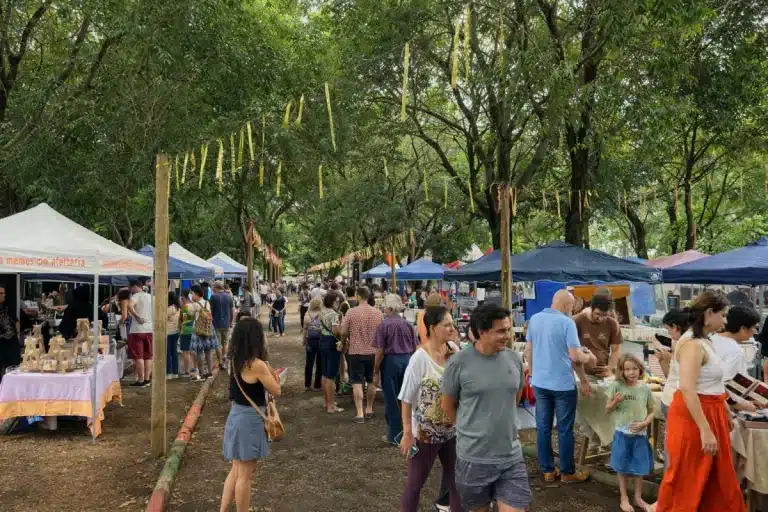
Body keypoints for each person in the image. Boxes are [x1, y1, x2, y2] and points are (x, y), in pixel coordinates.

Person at [649, 291, 745, 512]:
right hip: (695, 417)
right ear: (709, 313)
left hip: (711, 411)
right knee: (689, 480)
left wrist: (725, 411)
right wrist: (705, 429)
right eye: (723, 315)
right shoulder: (692, 344)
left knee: (714, 480)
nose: (726, 321)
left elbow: (712, 384)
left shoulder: (705, 340)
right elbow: (687, 389)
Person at [441, 303, 531, 512]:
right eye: (500, 331)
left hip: (511, 456)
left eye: (508, 329)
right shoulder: (458, 363)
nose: (507, 335)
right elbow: (447, 405)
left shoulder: (514, 359)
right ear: (481, 332)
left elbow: (514, 397)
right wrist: (469, 429)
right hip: (474, 458)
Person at [524, 289, 594, 483]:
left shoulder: (535, 319)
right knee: (564, 429)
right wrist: (588, 355)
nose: (572, 310)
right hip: (562, 384)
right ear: (566, 305)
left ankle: (547, 470)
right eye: (571, 306)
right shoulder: (567, 323)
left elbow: (528, 350)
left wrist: (532, 371)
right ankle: (567, 472)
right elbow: (575, 357)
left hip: (540, 382)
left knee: (543, 428)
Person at [398, 306, 464, 512]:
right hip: (425, 434)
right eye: (447, 325)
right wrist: (408, 432)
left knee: (457, 481)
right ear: (433, 328)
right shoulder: (419, 358)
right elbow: (406, 398)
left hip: (452, 430)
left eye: (452, 324)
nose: (452, 328)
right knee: (415, 484)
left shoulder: (454, 350)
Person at [219, 318, 281, 512]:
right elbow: (276, 390)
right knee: (245, 475)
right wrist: (275, 376)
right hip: (250, 420)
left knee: (236, 470)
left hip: (236, 414)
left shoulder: (235, 359)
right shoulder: (257, 364)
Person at [605, 354, 655, 512]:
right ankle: (624, 497)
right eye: (627, 369)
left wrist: (645, 423)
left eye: (634, 369)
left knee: (639, 467)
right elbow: (607, 409)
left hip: (640, 435)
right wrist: (615, 402)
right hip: (622, 433)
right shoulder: (616, 386)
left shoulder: (645, 388)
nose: (631, 372)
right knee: (622, 466)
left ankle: (638, 497)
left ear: (640, 369)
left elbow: (652, 411)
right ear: (621, 370)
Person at [373, 293, 419, 445]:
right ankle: (407, 431)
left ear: (390, 308)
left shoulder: (384, 325)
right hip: (407, 360)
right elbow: (415, 347)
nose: (384, 309)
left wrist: (375, 370)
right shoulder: (408, 324)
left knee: (392, 399)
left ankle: (394, 435)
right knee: (405, 398)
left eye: (385, 306)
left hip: (391, 362)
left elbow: (379, 351)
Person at [340, 286, 383, 422]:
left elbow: (343, 331)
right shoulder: (378, 313)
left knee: (357, 382)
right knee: (371, 381)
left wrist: (343, 342)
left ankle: (359, 413)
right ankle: (369, 408)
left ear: (358, 296)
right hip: (373, 352)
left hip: (355, 351)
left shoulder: (351, 312)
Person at [573, 289, 622, 377]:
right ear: (591, 308)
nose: (600, 318)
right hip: (581, 373)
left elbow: (616, 351)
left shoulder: (612, 324)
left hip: (602, 373)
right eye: (597, 314)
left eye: (605, 315)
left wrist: (610, 368)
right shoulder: (577, 320)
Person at [711, 305, 760, 381]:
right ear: (743, 328)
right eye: (754, 327)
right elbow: (730, 382)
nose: (755, 331)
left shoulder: (713, 338)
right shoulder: (735, 351)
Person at [186, 284, 218, 381]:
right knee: (208, 351)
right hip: (209, 329)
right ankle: (209, 372)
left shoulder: (195, 305)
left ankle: (202, 373)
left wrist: (189, 303)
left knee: (199, 352)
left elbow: (188, 313)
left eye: (192, 294)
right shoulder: (207, 303)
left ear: (196, 294)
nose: (191, 296)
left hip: (198, 330)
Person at [319, 291, 344, 413]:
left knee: (325, 373)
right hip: (331, 343)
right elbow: (336, 331)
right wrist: (343, 330)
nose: (338, 303)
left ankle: (326, 401)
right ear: (332, 301)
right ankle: (331, 406)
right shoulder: (333, 314)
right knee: (331, 375)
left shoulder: (323, 311)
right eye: (337, 301)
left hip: (323, 341)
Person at [127, 280, 153, 387]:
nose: (130, 290)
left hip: (137, 330)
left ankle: (141, 380)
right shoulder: (151, 297)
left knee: (139, 356)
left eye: (130, 287)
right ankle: (147, 379)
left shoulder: (136, 296)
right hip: (149, 328)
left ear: (134, 286)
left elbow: (129, 305)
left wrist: (137, 316)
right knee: (148, 356)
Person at [211, 281, 235, 368]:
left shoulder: (213, 297)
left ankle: (220, 361)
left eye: (213, 287)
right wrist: (231, 321)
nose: (212, 288)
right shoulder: (229, 297)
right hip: (226, 324)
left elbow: (211, 311)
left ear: (216, 287)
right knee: (225, 343)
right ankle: (224, 359)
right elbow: (232, 311)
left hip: (216, 323)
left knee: (218, 344)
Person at [302, 297, 323, 392]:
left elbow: (305, 329)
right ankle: (317, 385)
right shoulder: (323, 314)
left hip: (310, 340)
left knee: (309, 363)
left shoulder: (307, 314)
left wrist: (304, 340)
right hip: (321, 340)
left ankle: (307, 384)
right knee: (320, 363)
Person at [0, 285, 20, 382]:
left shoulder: (8, 306)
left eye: (4, 293)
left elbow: (16, 321)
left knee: (13, 369)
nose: (3, 295)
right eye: (1, 293)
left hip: (11, 343)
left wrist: (17, 334)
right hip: (1, 344)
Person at [166, 291, 181, 379]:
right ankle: (175, 372)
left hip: (168, 332)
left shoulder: (170, 308)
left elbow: (163, 318)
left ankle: (169, 372)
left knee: (168, 353)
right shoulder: (178, 307)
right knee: (174, 353)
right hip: (176, 331)